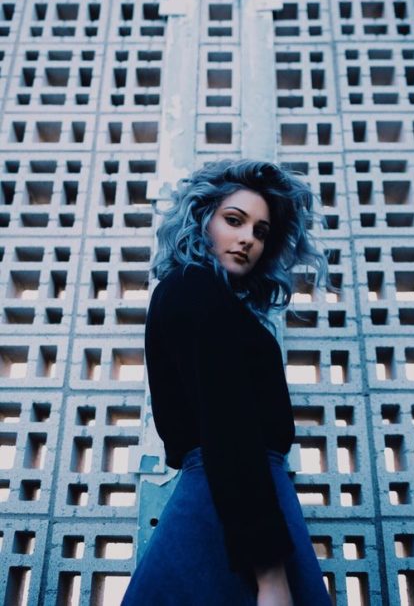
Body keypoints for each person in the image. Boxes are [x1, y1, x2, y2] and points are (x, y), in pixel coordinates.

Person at [122, 160, 332, 606]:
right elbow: (229, 425)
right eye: (234, 221)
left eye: (260, 232)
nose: (247, 240)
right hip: (228, 498)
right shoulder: (192, 288)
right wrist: (271, 575)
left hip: (233, 494)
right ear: (202, 220)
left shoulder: (206, 298)